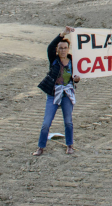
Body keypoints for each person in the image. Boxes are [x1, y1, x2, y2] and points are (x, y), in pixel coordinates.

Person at [33, 26, 80, 156]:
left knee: (68, 122)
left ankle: (70, 146)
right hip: (53, 94)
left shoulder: (73, 61)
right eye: (60, 48)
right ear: (57, 50)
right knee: (46, 123)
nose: (63, 50)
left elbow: (75, 78)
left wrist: (76, 80)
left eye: (65, 48)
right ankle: (41, 147)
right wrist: (63, 34)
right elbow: (50, 47)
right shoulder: (54, 60)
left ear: (68, 49)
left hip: (67, 95)